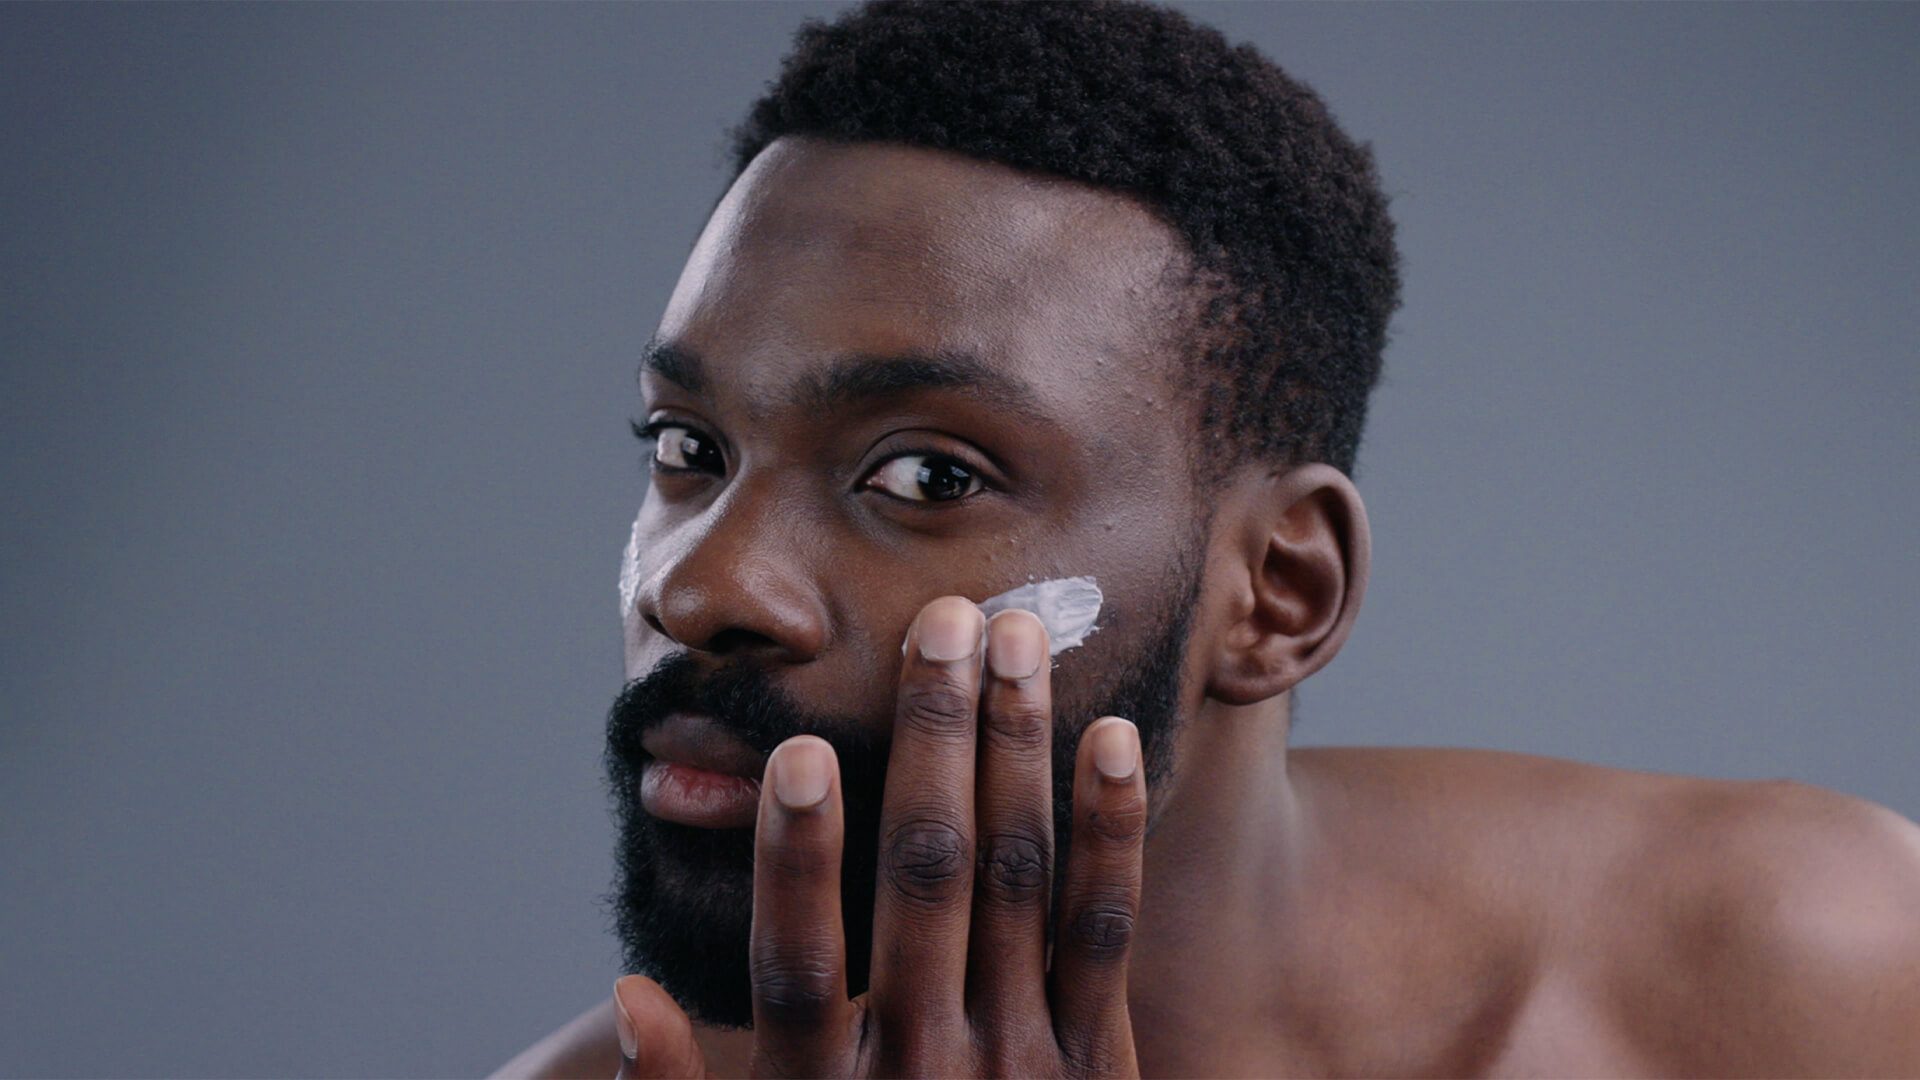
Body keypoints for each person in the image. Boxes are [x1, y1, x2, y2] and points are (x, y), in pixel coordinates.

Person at [496, 3, 1920, 1076]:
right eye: (689, 451)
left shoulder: (1802, 973)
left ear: (1279, 593)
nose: (700, 584)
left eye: (927, 473)